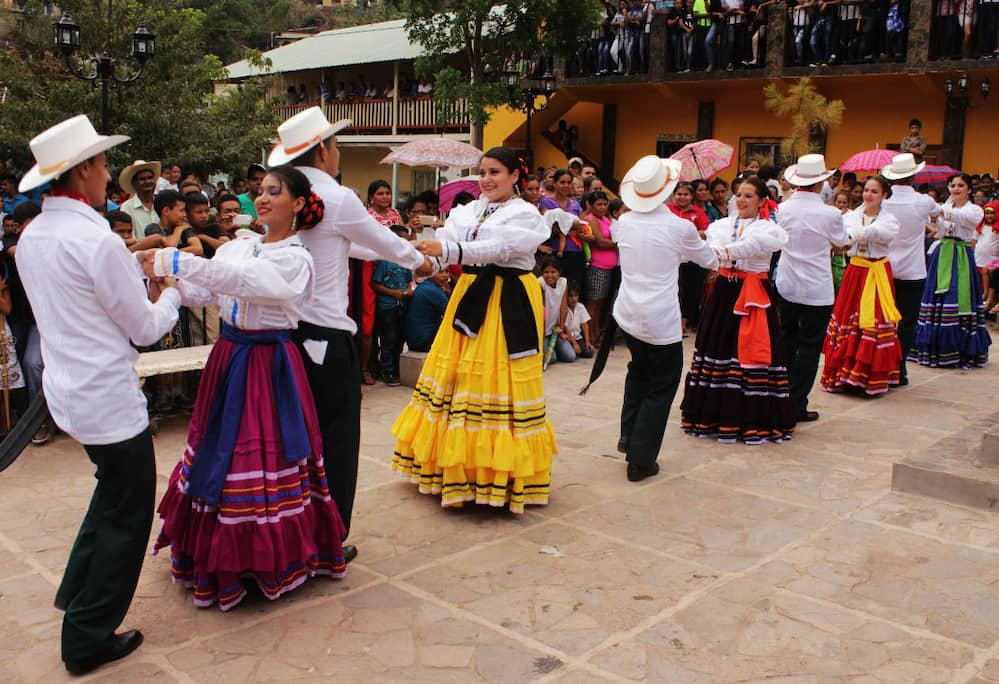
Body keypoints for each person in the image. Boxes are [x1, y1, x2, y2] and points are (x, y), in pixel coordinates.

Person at [16, 114, 182, 675]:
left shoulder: (35, 233)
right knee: (125, 514)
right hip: (107, 399)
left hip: (68, 391)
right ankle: (87, 634)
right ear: (83, 169)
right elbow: (145, 328)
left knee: (109, 498)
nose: (107, 173)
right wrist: (171, 295)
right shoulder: (95, 239)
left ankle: (76, 596)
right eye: (104, 163)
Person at [146, 165, 349, 610]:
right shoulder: (241, 246)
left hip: (267, 362)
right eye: (261, 191)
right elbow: (210, 294)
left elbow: (261, 286)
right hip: (229, 356)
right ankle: (221, 553)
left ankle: (268, 558)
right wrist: (169, 283)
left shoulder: (297, 257)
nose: (262, 198)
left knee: (260, 455)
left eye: (274, 192)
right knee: (219, 451)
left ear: (298, 204)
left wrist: (181, 261)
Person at [269, 107, 429, 550]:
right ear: (322, 151)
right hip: (325, 333)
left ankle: (291, 528)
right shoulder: (335, 198)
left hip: (286, 332)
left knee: (293, 436)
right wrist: (423, 260)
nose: (337, 154)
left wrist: (392, 251)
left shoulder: (284, 194)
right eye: (336, 146)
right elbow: (383, 241)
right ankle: (329, 535)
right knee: (337, 439)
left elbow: (347, 243)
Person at [392, 146, 555, 512]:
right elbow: (448, 246)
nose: (486, 179)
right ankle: (454, 468)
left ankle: (500, 475)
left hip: (508, 298)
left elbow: (498, 248)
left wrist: (448, 250)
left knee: (498, 379)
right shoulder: (469, 209)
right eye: (482, 172)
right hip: (470, 293)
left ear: (516, 176)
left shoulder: (527, 215)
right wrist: (424, 259)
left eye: (495, 172)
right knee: (459, 376)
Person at [614, 156, 718, 481]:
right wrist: (707, 238)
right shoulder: (679, 226)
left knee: (638, 373)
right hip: (659, 318)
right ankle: (641, 459)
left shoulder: (625, 222)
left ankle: (629, 437)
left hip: (629, 311)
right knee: (661, 385)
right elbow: (707, 258)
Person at [680, 176, 794, 443]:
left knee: (751, 351)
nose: (742, 200)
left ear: (762, 201)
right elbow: (708, 247)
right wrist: (714, 252)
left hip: (753, 293)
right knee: (717, 348)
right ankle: (712, 416)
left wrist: (719, 253)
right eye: (739, 195)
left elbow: (749, 248)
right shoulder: (721, 225)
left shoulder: (768, 229)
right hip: (723, 292)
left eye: (749, 196)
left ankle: (751, 417)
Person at [775, 154, 852, 422]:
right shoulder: (830, 214)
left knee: (786, 341)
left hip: (787, 283)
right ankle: (797, 403)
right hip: (816, 288)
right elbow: (842, 241)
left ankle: (779, 396)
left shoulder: (783, 209)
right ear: (821, 183)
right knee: (809, 347)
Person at [821, 176, 903, 395]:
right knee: (849, 318)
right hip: (856, 272)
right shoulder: (852, 216)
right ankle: (843, 376)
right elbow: (845, 234)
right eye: (866, 190)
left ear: (885, 195)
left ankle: (867, 378)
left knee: (873, 322)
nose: (868, 195)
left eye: (874, 191)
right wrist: (855, 233)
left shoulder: (889, 219)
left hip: (877, 274)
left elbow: (883, 234)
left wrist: (858, 234)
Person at [910, 173, 990, 368]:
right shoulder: (944, 207)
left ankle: (959, 347)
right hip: (942, 253)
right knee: (937, 295)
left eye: (960, 185)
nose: (955, 189)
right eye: (953, 185)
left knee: (957, 295)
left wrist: (937, 210)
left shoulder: (975, 210)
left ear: (969, 189)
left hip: (961, 255)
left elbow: (964, 220)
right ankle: (933, 346)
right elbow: (936, 228)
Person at [880, 154, 938, 384]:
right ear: (913, 176)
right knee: (906, 322)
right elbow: (936, 211)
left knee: (883, 320)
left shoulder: (884, 201)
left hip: (884, 268)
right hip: (912, 269)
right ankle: (899, 367)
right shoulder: (922, 201)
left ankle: (880, 365)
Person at [358, 180, 404, 384]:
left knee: (390, 319)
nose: (385, 196)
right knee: (370, 318)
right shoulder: (366, 217)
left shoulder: (395, 214)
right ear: (371, 197)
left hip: (393, 269)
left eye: (388, 193)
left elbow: (403, 237)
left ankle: (387, 365)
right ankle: (368, 367)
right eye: (380, 193)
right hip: (371, 267)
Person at [372, 225, 414, 386]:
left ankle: (396, 370)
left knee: (399, 339)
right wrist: (393, 293)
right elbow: (376, 284)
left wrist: (409, 290)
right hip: (387, 306)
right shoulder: (384, 262)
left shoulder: (406, 261)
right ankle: (386, 371)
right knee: (388, 340)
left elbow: (409, 281)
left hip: (402, 305)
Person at [668, 182, 711, 334]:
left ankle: (685, 321)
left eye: (686, 194)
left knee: (692, 291)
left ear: (692, 196)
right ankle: (675, 321)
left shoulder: (698, 212)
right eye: (679, 194)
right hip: (672, 259)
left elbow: (706, 231)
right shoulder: (668, 210)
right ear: (674, 195)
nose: (682, 197)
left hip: (693, 259)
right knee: (675, 290)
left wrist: (687, 235)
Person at [579, 190, 618, 346]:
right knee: (593, 303)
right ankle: (591, 337)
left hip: (608, 267)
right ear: (591, 205)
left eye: (605, 204)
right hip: (597, 266)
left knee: (600, 304)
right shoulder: (591, 219)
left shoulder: (606, 219)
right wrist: (617, 243)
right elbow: (600, 242)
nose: (602, 207)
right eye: (599, 204)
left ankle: (596, 334)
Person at [405, 271, 451, 352]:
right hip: (423, 342)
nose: (445, 275)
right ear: (430, 274)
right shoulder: (434, 291)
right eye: (440, 272)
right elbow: (451, 315)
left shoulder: (425, 285)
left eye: (447, 272)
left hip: (414, 340)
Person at [118, 160, 160, 241]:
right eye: (142, 179)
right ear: (134, 183)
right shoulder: (127, 207)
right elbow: (130, 239)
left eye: (150, 178)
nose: (147, 181)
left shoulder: (161, 202)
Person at [539, 258, 568, 361]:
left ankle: (555, 347)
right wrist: (541, 338)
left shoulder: (563, 282)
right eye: (546, 272)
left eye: (553, 272)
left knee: (570, 356)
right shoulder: (540, 283)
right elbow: (542, 311)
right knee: (552, 359)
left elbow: (563, 306)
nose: (549, 275)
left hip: (555, 331)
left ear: (559, 273)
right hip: (543, 331)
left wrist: (561, 329)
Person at [558, 282, 596, 362]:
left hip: (578, 337)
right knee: (570, 357)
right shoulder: (563, 308)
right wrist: (574, 343)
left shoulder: (580, 306)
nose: (573, 299)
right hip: (567, 337)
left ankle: (574, 349)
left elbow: (584, 325)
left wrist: (587, 342)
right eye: (570, 296)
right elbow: (565, 327)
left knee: (589, 353)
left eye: (576, 296)